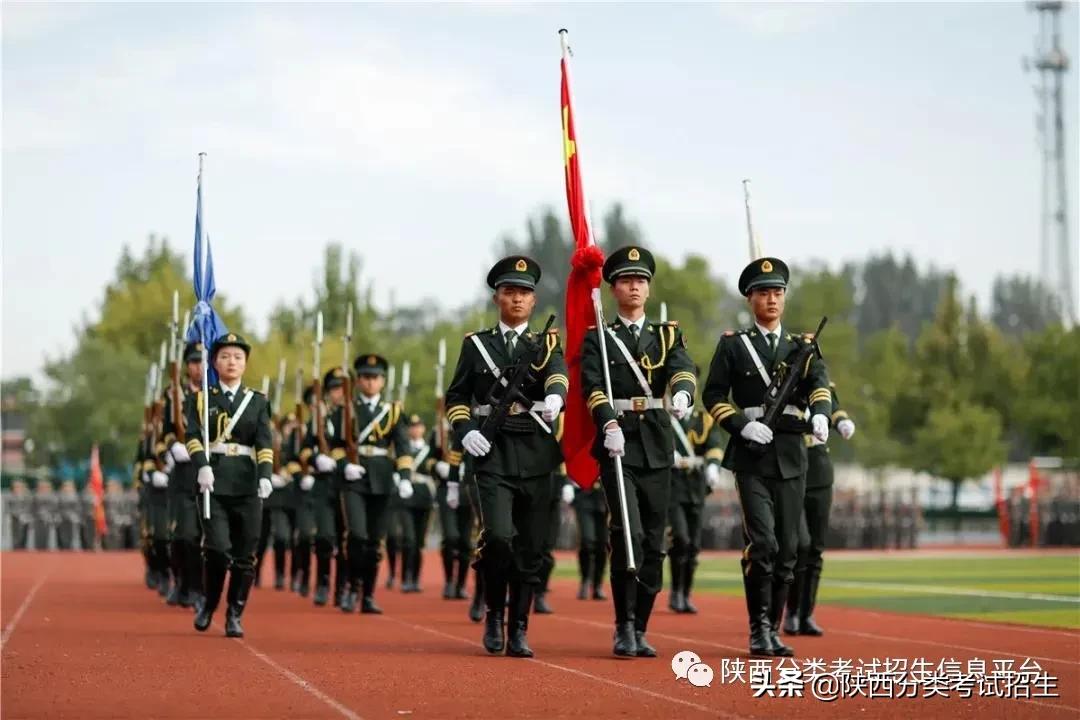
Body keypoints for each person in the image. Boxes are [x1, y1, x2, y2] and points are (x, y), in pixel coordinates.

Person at [701, 256, 832, 657]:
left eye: (777, 292)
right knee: (764, 544)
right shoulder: (733, 345)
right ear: (750, 299)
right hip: (751, 456)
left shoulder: (802, 347)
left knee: (790, 549)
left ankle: (773, 629)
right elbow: (713, 396)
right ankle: (758, 629)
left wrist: (822, 415)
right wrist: (741, 424)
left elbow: (819, 385)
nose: (771, 299)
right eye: (763, 293)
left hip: (792, 454)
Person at [445, 255, 568, 658]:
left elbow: (557, 373)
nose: (517, 299)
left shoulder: (547, 342)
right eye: (510, 292)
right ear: (497, 297)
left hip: (536, 451)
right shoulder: (476, 345)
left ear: (534, 302)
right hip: (492, 452)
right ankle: (495, 613)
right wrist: (465, 433)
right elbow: (457, 397)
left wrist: (555, 395)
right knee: (498, 539)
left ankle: (519, 627)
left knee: (531, 548)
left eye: (525, 293)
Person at [580, 245, 697, 658]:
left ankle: (642, 624)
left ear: (648, 289)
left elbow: (683, 367)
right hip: (618, 444)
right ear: (613, 288)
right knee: (626, 534)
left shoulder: (667, 334)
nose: (634, 286)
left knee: (655, 541)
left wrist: (683, 391)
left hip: (657, 444)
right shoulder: (599, 336)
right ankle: (623, 625)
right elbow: (592, 385)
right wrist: (607, 422)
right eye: (627, 280)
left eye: (641, 281)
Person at [186, 332, 275, 638]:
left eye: (237, 357)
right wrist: (202, 466)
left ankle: (235, 612)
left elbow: (264, 442)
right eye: (225, 356)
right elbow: (193, 437)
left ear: (245, 363)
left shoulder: (258, 401)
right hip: (214, 482)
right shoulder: (201, 398)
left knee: (245, 555)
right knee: (218, 550)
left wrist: (265, 474)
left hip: (247, 483)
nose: (231, 362)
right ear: (214, 362)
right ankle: (209, 605)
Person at [340, 353, 413, 614]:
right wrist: (343, 465)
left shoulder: (393, 411)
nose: (370, 382)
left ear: (383, 381)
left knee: (374, 540)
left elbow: (403, 446)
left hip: (382, 478)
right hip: (355, 478)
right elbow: (336, 444)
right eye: (366, 377)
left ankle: (368, 594)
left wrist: (404, 477)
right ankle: (351, 585)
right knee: (357, 536)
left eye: (375, 378)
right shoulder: (347, 408)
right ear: (358, 381)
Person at [784, 384, 854, 636]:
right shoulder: (784, 383)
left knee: (815, 548)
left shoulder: (821, 386)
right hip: (790, 468)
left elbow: (833, 410)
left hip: (819, 473)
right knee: (799, 545)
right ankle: (790, 610)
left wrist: (843, 422)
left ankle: (806, 614)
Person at [667, 402, 724, 614]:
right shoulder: (665, 417)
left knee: (693, 544)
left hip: (696, 485)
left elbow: (715, 444)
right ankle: (674, 591)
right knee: (680, 538)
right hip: (673, 485)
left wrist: (713, 466)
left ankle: (685, 593)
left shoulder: (704, 419)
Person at [161, 341, 206, 607]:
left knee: (206, 538)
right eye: (193, 362)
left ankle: (199, 590)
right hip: (182, 476)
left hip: (207, 473)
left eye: (202, 362)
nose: (198, 367)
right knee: (184, 536)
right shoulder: (175, 396)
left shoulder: (216, 395)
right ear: (187, 366)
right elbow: (166, 430)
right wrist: (173, 445)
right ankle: (184, 583)